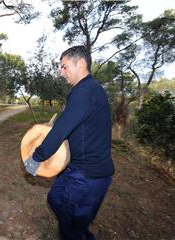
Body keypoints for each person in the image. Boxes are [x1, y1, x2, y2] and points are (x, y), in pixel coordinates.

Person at [24, 46, 115, 240]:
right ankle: (77, 230)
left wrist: (37, 158)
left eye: (64, 67)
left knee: (71, 226)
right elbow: (73, 120)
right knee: (55, 199)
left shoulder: (84, 91)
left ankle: (77, 232)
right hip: (76, 167)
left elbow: (62, 128)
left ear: (80, 63)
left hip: (89, 175)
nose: (61, 72)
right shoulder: (90, 89)